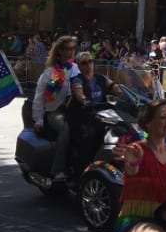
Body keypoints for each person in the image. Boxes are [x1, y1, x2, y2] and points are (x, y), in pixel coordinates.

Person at [112, 99, 166, 232]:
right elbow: (132, 171)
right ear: (148, 123)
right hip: (138, 220)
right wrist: (132, 163)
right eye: (162, 117)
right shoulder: (136, 150)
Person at [32, 36, 79, 180]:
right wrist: (39, 120)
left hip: (75, 110)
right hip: (54, 112)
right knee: (65, 126)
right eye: (68, 49)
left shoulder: (75, 68)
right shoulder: (50, 72)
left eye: (73, 48)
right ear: (59, 51)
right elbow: (39, 97)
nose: (71, 52)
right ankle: (57, 169)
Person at [69, 51, 123, 170]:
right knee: (90, 139)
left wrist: (125, 93)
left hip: (104, 116)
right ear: (78, 66)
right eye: (84, 63)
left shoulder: (100, 78)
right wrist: (85, 100)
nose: (88, 65)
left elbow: (116, 88)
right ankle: (81, 171)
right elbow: (78, 93)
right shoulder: (77, 80)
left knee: (121, 131)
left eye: (90, 61)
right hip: (85, 117)